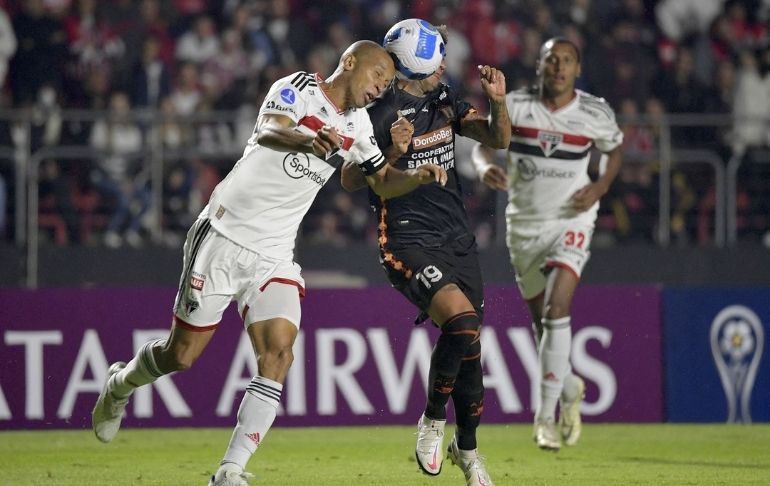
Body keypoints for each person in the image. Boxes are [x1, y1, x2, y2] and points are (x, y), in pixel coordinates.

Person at [91, 40, 447, 486]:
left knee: (279, 352)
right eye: (377, 76)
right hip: (223, 235)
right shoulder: (298, 87)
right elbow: (270, 129)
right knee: (180, 356)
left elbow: (375, 180)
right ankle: (121, 384)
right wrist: (309, 136)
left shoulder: (359, 124)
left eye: (388, 84)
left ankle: (230, 471)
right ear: (350, 62)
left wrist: (415, 174)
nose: (380, 88)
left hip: (275, 251)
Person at [341, 24, 510, 486]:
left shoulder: (445, 100)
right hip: (405, 238)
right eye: (436, 58)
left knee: (469, 344)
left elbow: (498, 140)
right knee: (459, 321)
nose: (443, 65)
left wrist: (498, 102)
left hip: (457, 238)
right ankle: (433, 420)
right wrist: (392, 153)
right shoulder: (379, 112)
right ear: (417, 63)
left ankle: (468, 450)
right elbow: (351, 180)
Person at [471, 37, 623, 451]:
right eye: (551, 60)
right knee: (544, 327)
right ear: (539, 66)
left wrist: (601, 186)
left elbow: (615, 149)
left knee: (558, 310)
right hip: (524, 226)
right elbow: (483, 146)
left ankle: (544, 419)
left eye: (567, 61)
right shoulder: (515, 105)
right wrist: (485, 168)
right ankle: (571, 386)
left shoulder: (594, 112)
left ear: (578, 69)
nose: (559, 67)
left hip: (571, 219)